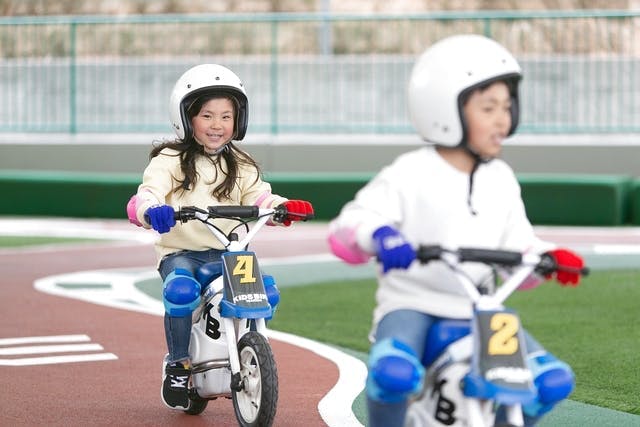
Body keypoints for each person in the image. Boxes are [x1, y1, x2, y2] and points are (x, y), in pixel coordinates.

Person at [327, 34, 585, 426]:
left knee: (550, 381)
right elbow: (351, 224)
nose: (503, 119)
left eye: (506, 106)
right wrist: (381, 236)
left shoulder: (502, 179)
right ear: (444, 110)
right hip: (411, 306)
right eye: (488, 108)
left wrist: (546, 258)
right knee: (392, 373)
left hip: (480, 311)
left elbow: (519, 243)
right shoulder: (409, 172)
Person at [126, 63, 314, 410]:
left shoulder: (241, 164)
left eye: (226, 117)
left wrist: (283, 207)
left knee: (265, 292)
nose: (217, 125)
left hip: (228, 252)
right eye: (207, 116)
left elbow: (259, 197)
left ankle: (249, 346)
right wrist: (153, 211)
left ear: (238, 121)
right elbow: (145, 196)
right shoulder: (169, 160)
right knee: (181, 290)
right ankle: (179, 364)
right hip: (181, 251)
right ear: (186, 118)